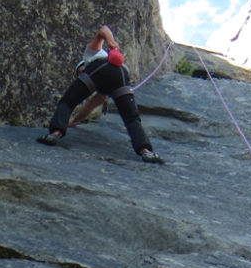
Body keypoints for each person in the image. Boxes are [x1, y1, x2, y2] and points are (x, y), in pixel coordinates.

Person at [37, 25, 163, 164]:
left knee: (67, 101)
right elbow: (89, 107)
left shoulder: (90, 55)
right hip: (120, 76)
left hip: (100, 67)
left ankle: (55, 133)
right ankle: (146, 151)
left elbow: (103, 30)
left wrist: (110, 41)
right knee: (132, 118)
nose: (79, 76)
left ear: (82, 66)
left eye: (79, 72)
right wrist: (75, 121)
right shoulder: (102, 92)